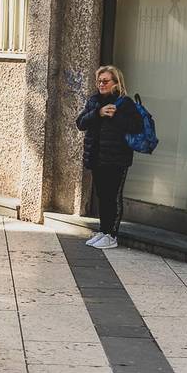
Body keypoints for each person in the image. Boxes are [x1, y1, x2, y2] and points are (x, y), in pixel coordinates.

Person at [75, 65, 142, 249]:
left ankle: (112, 235)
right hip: (97, 157)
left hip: (117, 159)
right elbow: (80, 123)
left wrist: (115, 116)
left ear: (116, 83)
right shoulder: (94, 101)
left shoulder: (124, 103)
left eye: (105, 81)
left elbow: (136, 127)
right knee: (102, 196)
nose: (101, 84)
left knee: (113, 197)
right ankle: (103, 231)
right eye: (99, 81)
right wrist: (98, 113)